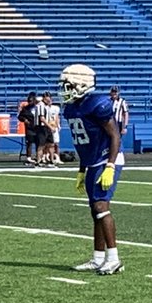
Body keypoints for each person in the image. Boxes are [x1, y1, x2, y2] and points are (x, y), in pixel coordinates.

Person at [61, 64, 124, 276]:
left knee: (101, 206)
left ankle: (113, 259)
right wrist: (82, 169)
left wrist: (110, 165)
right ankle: (98, 259)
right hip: (92, 160)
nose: (65, 90)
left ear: (82, 85)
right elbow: (84, 144)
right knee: (95, 210)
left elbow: (115, 135)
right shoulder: (72, 108)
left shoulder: (97, 104)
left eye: (68, 85)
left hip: (106, 158)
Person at [42, 91, 62, 167]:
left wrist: (58, 125)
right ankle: (44, 156)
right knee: (46, 144)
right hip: (47, 127)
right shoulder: (43, 107)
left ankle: (57, 157)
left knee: (56, 143)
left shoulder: (55, 108)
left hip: (54, 127)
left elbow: (57, 117)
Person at [19, 92, 39, 165]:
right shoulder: (26, 109)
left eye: (31, 101)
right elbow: (20, 116)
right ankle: (29, 157)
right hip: (29, 128)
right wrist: (25, 120)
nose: (30, 102)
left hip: (38, 128)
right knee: (29, 143)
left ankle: (38, 157)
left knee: (39, 143)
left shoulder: (39, 107)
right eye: (29, 101)